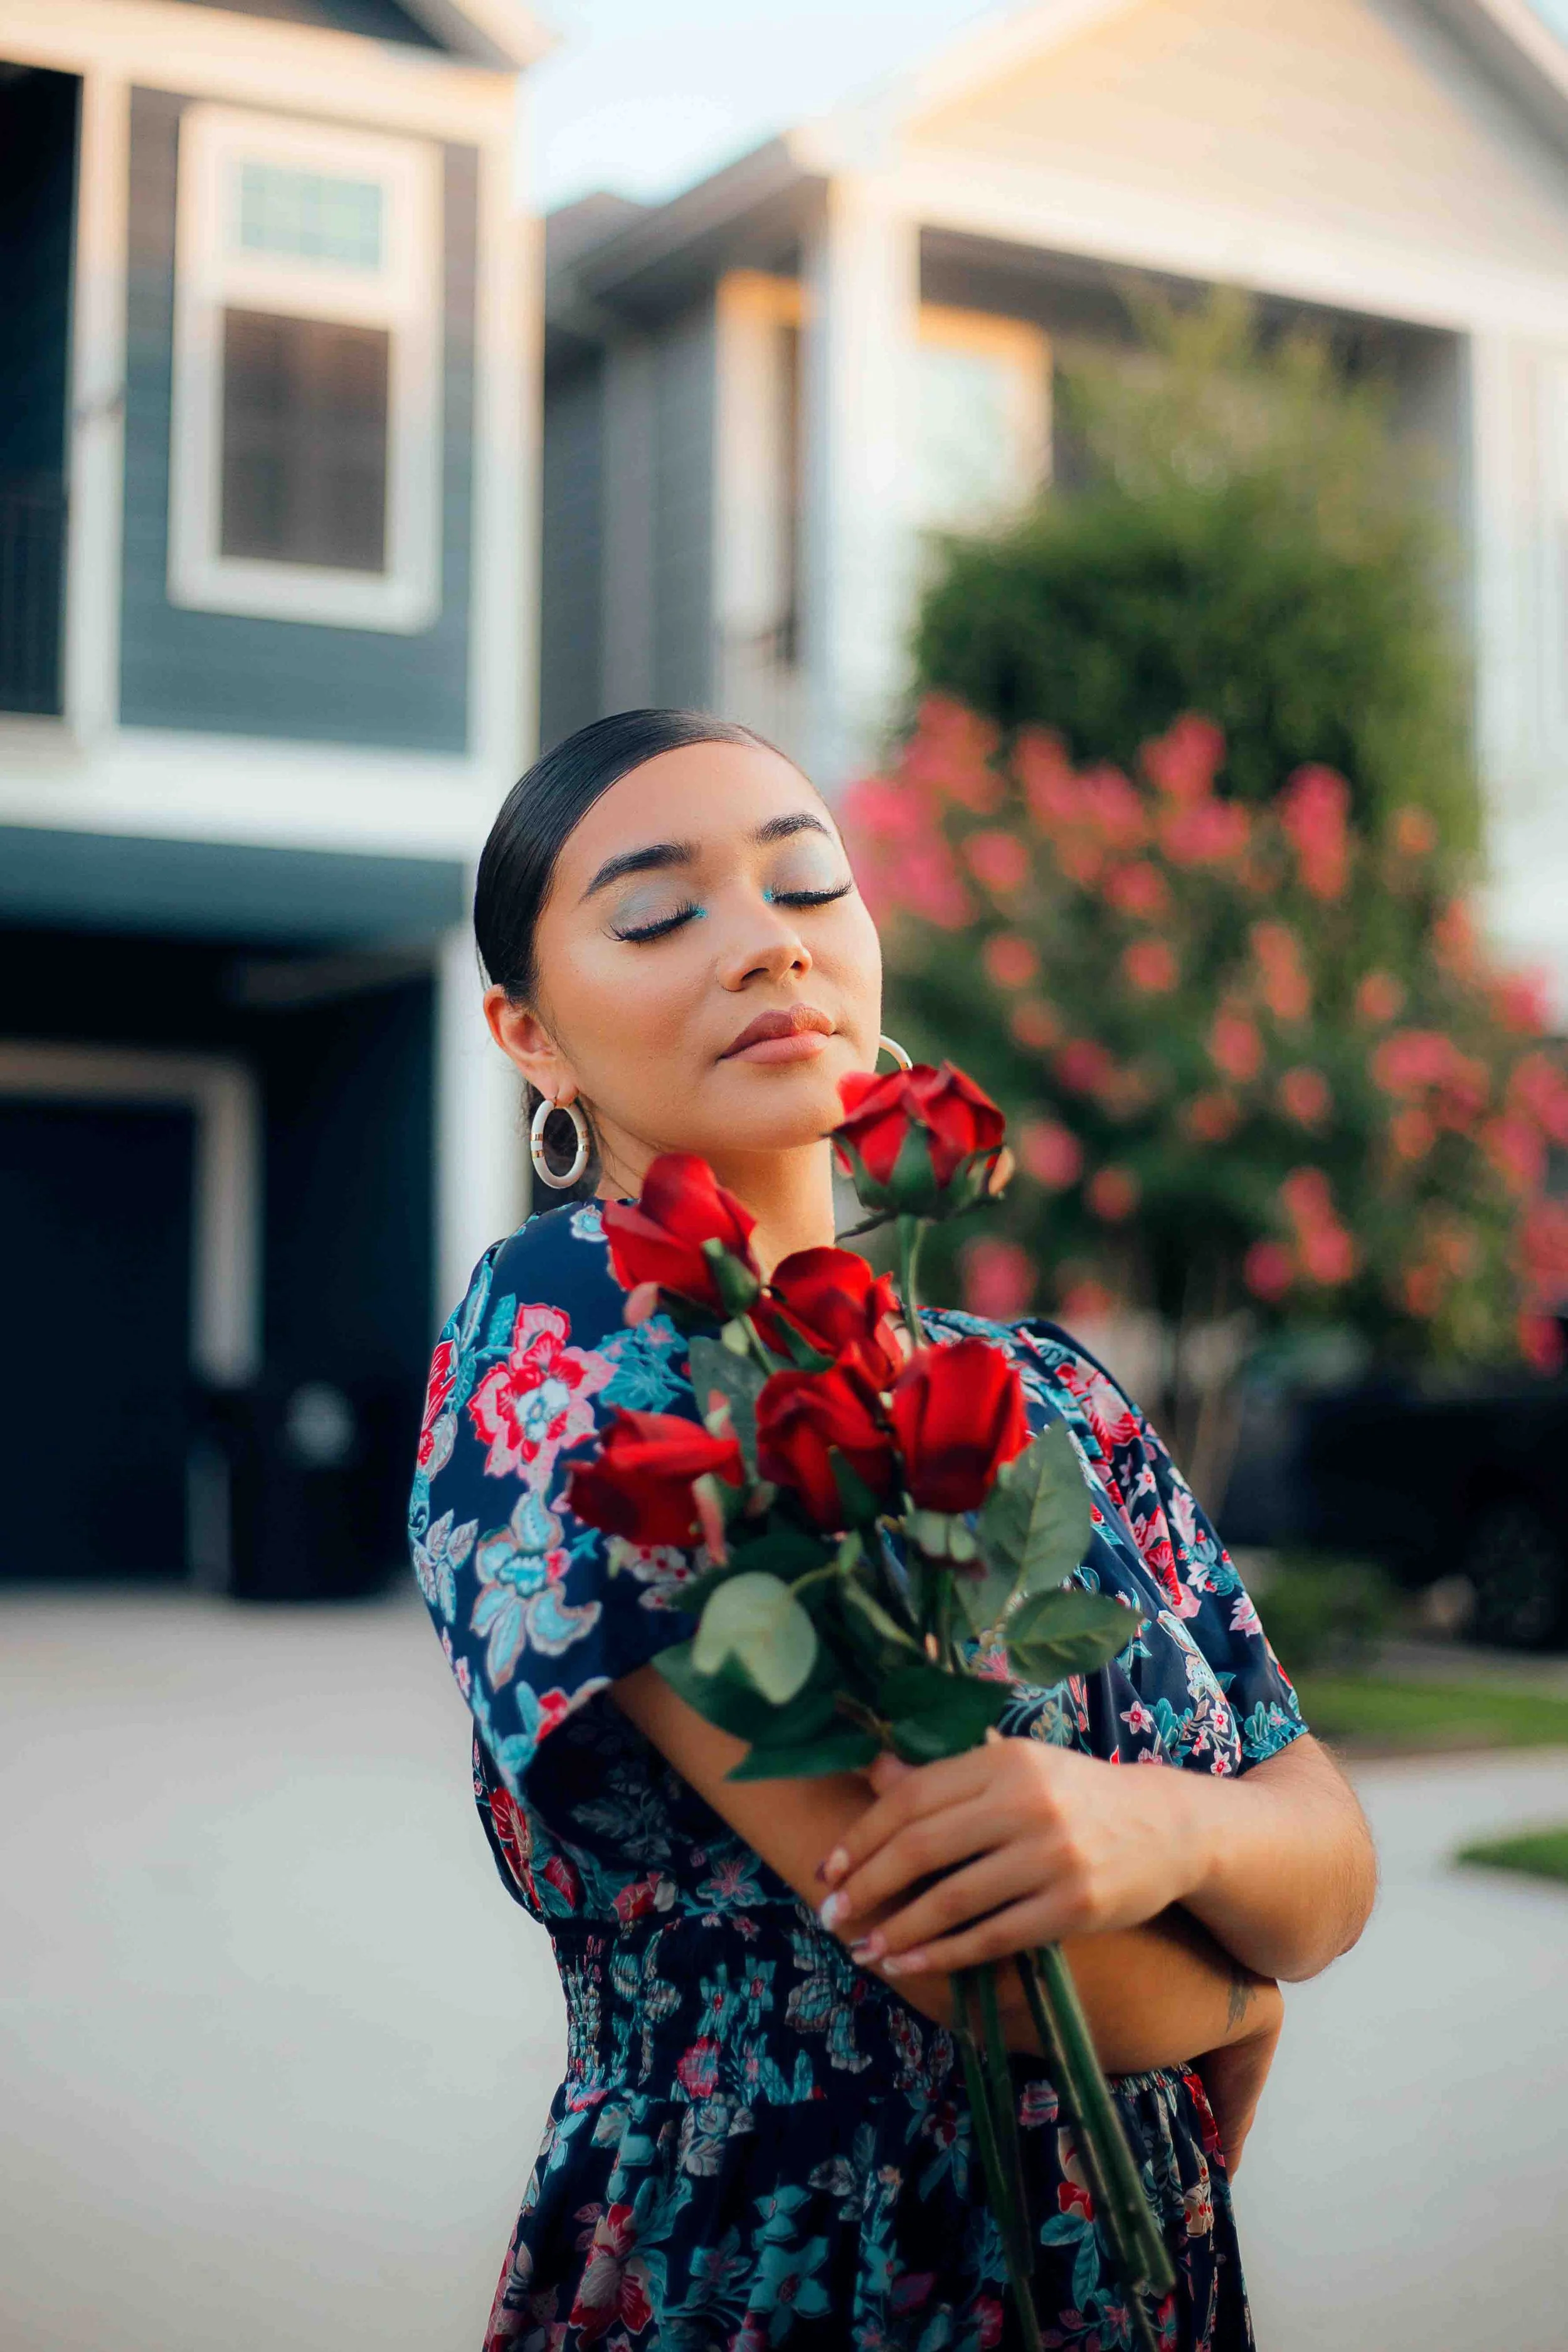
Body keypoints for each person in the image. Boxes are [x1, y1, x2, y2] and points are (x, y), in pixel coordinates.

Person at [408, 709, 1376, 2352]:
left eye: (808, 887)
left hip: (1123, 2284)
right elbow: (940, 1942)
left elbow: (1322, 1850)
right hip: (784, 2268)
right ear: (528, 1033)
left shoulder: (1040, 1389)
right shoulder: (561, 1348)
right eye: (658, 913)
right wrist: (1229, 1995)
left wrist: (1173, 1833)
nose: (765, 947)